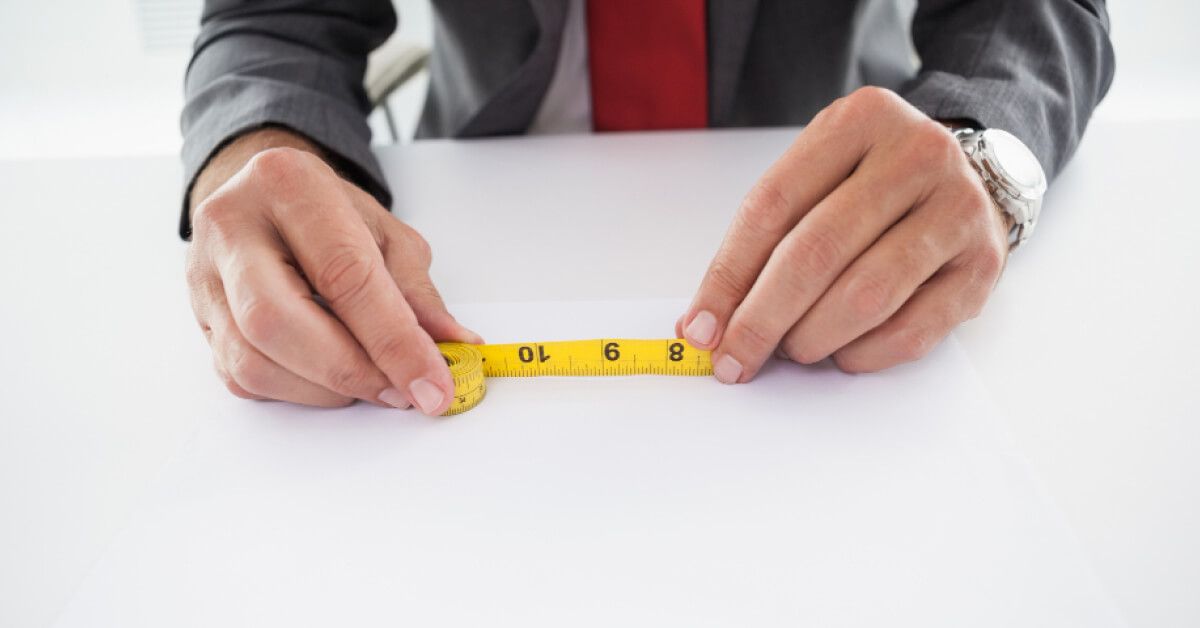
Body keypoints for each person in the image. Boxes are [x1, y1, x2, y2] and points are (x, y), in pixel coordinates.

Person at [180, 0, 1114, 415]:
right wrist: (260, 147)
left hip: (849, 179)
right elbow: (274, 16)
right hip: (476, 197)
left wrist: (982, 152)